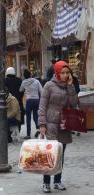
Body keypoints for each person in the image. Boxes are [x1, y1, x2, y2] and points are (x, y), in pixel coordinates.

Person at [38, 61, 78, 193]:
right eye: (63, 72)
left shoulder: (69, 86)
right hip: (50, 124)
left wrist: (71, 86)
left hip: (64, 124)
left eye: (67, 73)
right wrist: (42, 124)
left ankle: (57, 181)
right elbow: (42, 106)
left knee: (61, 154)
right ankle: (46, 182)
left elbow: (73, 104)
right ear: (57, 73)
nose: (66, 75)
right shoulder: (49, 85)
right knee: (49, 154)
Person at [20, 69, 42, 139]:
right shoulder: (36, 81)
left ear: (24, 76)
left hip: (29, 101)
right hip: (36, 100)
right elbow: (41, 91)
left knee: (28, 118)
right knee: (36, 116)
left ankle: (28, 134)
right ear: (30, 75)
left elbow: (20, 90)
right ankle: (38, 130)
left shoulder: (24, 82)